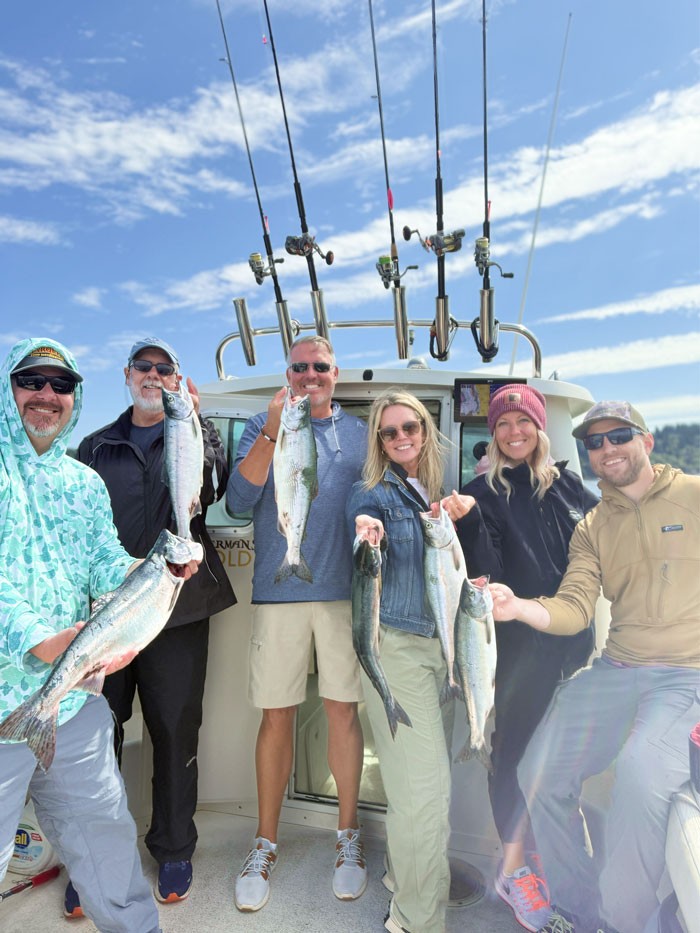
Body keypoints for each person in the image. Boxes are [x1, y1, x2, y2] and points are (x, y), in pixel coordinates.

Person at [0, 337, 193, 932]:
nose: (46, 395)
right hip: (7, 701)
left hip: (77, 702)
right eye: (32, 380)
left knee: (107, 842)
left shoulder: (84, 483)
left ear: (75, 398)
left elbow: (104, 564)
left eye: (61, 385)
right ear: (11, 390)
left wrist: (152, 575)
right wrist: (39, 637)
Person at [488, 400, 700, 933]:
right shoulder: (593, 526)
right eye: (595, 443)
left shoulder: (694, 496)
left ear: (646, 441)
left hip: (686, 675)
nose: (606, 450)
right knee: (536, 772)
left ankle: (624, 921)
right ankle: (582, 912)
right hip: (617, 669)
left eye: (619, 436)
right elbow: (576, 605)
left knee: (638, 776)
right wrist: (518, 607)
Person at [71, 337, 236, 913]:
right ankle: (96, 854)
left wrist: (196, 421)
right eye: (144, 366)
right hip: (108, 615)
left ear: (175, 378)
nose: (153, 374)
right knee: (96, 737)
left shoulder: (195, 430)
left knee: (174, 732)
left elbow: (211, 489)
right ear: (126, 374)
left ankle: (173, 848)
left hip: (178, 608)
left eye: (164, 368)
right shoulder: (93, 447)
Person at [227, 335, 368, 912]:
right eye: (298, 367)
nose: (309, 375)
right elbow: (238, 501)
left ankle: (349, 837)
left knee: (342, 711)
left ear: (335, 374)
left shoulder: (362, 432)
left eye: (319, 367)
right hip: (278, 592)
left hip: (345, 596)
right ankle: (264, 842)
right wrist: (270, 427)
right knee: (276, 715)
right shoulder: (261, 423)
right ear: (286, 373)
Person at [456, 384, 598, 931]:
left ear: (540, 428)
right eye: (504, 424)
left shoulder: (568, 486)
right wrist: (467, 519)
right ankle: (513, 870)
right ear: (492, 433)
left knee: (558, 762)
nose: (515, 432)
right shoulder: (480, 495)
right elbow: (486, 576)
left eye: (524, 422)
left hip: (571, 651)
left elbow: (601, 547)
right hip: (515, 656)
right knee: (511, 759)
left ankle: (541, 853)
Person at [346, 388, 473, 933]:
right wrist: (366, 532)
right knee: (427, 795)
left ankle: (401, 874)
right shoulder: (371, 490)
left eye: (411, 428)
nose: (401, 438)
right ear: (379, 439)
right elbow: (363, 518)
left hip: (443, 655)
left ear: (426, 429)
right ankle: (416, 921)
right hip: (394, 651)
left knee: (410, 785)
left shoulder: (440, 492)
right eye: (390, 431)